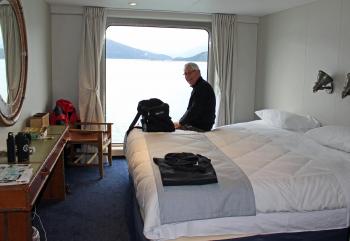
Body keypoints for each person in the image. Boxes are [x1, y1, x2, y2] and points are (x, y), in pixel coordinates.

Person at [174, 62, 216, 131]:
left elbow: (194, 110)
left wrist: (180, 123)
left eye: (190, 73)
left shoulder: (202, 88)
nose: (187, 76)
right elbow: (192, 111)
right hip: (199, 124)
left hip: (200, 127)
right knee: (169, 124)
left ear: (198, 72)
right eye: (185, 74)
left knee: (168, 129)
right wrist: (180, 122)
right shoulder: (200, 86)